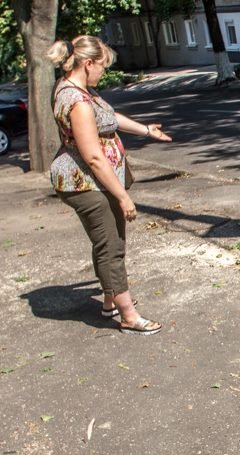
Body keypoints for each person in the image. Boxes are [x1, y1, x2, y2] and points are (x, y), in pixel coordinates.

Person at [46, 36, 171, 335]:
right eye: (102, 66)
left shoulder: (80, 89)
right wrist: (123, 196)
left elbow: (109, 117)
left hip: (94, 181)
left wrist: (146, 130)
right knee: (111, 247)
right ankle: (128, 316)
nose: (104, 72)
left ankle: (109, 302)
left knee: (109, 243)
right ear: (88, 63)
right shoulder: (76, 101)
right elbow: (93, 157)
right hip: (85, 183)